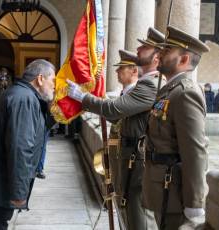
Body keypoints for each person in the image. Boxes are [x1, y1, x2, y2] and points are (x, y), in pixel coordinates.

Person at [67, 27, 166, 230]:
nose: (139, 48)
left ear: (157, 57)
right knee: (127, 209)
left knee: (137, 215)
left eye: (145, 47)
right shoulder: (147, 84)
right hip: (129, 156)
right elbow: (117, 116)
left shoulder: (150, 85)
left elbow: (113, 109)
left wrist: (81, 96)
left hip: (137, 159)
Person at [0, 59, 56, 230]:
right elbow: (20, 148)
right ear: (40, 79)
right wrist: (19, 192)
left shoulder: (23, 94)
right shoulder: (24, 99)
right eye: (53, 80)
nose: (54, 86)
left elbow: (36, 130)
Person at [142, 25, 210, 230]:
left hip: (172, 192)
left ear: (184, 60)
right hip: (161, 186)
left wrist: (194, 203)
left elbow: (195, 151)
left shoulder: (185, 93)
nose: (159, 54)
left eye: (167, 51)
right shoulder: (169, 91)